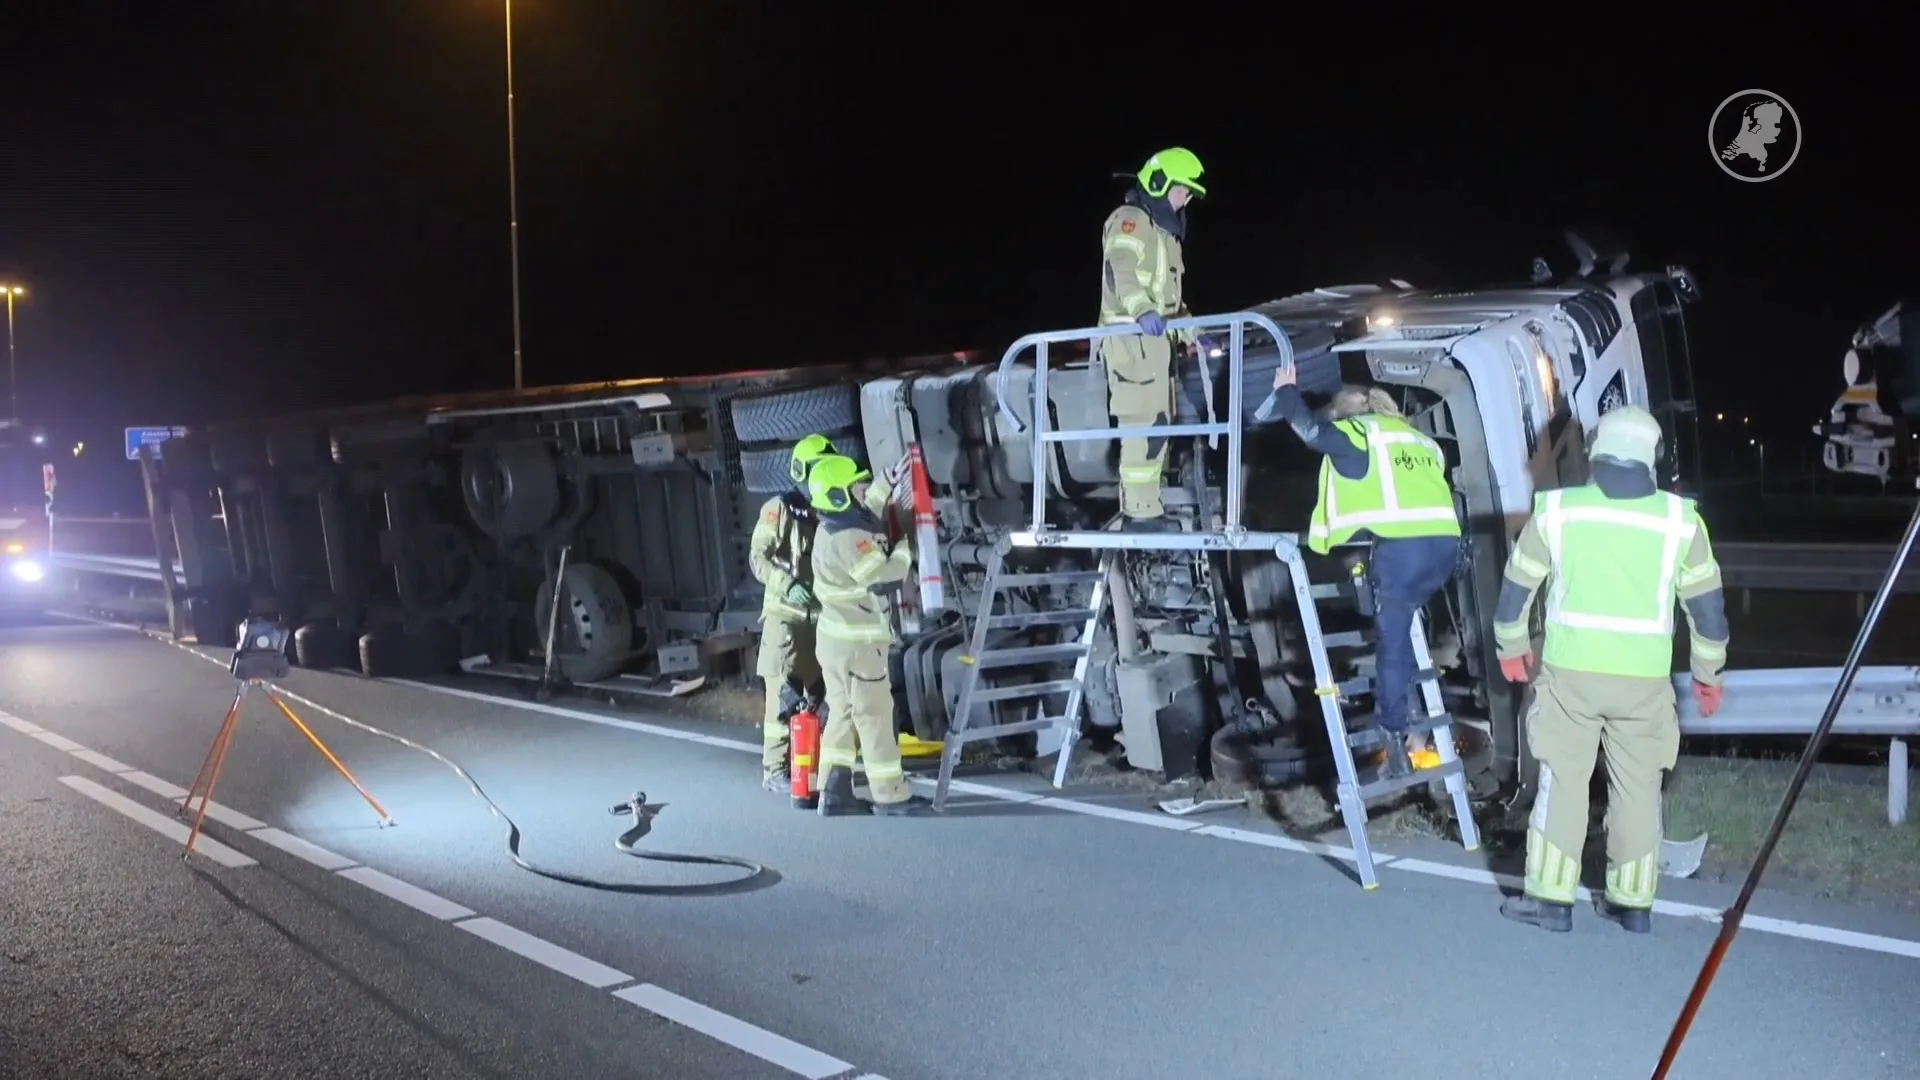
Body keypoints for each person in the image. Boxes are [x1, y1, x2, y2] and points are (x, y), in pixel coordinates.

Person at [1491, 405, 1729, 935]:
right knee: (1639, 788)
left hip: (1570, 674)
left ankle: (1551, 899)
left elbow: (1517, 584)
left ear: (1597, 453)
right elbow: (1708, 609)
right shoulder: (1681, 521)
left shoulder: (1558, 511)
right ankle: (1632, 903)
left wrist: (1511, 645)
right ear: (1651, 458)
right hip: (1644, 683)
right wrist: (1708, 675)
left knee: (1563, 779)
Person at [1264, 368, 1464, 768]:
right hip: (1445, 547)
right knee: (1406, 629)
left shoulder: (1359, 434)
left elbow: (1311, 432)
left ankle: (1393, 734)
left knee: (1391, 642)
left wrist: (1286, 392)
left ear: (1345, 413)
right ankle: (1420, 723)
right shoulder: (1415, 438)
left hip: (1404, 550)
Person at [749, 434, 910, 793]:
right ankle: (775, 769)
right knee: (783, 696)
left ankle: (820, 773)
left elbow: (862, 507)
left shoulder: (828, 512)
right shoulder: (780, 509)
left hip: (822, 620)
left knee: (825, 701)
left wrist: (885, 482)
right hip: (787, 619)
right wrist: (785, 583)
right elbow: (757, 558)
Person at [805, 453, 931, 817]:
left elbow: (865, 510)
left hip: (835, 645)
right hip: (859, 648)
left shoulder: (831, 529)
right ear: (839, 495)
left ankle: (833, 790)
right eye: (856, 486)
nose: (862, 490)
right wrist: (904, 547)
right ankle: (891, 795)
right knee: (874, 715)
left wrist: (885, 482)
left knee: (843, 713)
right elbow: (885, 578)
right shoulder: (851, 540)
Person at [1099, 147, 1207, 533]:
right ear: (1160, 183)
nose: (1186, 199)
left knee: (1159, 425)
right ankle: (1139, 514)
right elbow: (1121, 272)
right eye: (1183, 191)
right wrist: (1142, 310)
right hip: (1130, 344)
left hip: (1156, 347)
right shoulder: (1129, 221)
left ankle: (1148, 505)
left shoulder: (1166, 235)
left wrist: (1193, 331)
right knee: (1141, 426)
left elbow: (1171, 303)